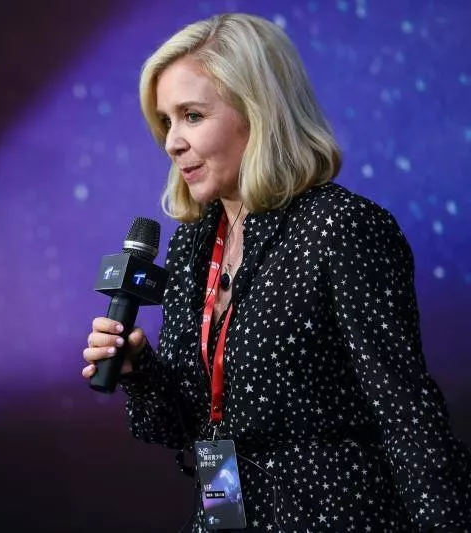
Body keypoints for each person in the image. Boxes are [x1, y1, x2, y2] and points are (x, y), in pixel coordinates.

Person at [81, 12, 471, 532]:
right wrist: (139, 371)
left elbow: (407, 413)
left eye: (192, 115)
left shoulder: (341, 227)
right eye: (166, 121)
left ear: (258, 111)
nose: (172, 142)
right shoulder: (193, 242)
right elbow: (182, 424)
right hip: (224, 509)